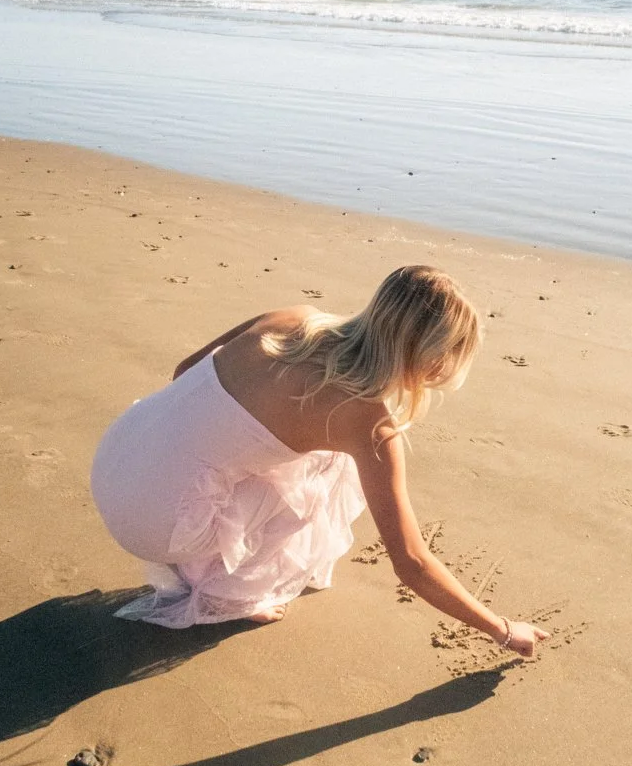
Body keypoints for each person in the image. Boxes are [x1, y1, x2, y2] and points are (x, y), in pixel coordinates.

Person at [91, 265, 549, 657]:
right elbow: (410, 561)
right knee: (332, 469)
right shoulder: (368, 424)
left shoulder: (292, 318)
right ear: (427, 357)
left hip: (116, 458)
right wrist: (503, 630)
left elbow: (184, 373)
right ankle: (233, 594)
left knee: (291, 451)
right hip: (154, 526)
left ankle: (208, 538)